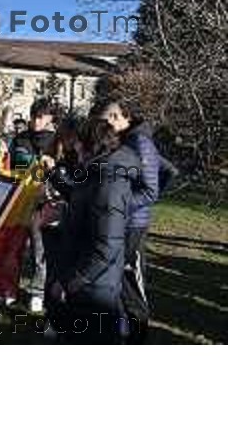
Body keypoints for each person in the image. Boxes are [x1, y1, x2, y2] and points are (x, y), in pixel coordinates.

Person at [49, 119, 141, 344]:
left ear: (92, 145)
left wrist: (71, 283)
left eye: (79, 144)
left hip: (94, 289)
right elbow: (84, 198)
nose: (75, 149)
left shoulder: (109, 182)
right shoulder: (97, 171)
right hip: (85, 282)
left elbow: (106, 246)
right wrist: (53, 176)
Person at [98, 99, 161, 342]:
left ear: (117, 117)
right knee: (118, 282)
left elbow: (150, 191)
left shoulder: (140, 142)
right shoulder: (124, 141)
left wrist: (118, 203)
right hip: (120, 221)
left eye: (106, 121)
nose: (104, 127)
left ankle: (138, 337)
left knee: (131, 284)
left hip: (133, 223)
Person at [10, 98, 58, 312]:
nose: (36, 121)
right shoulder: (20, 139)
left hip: (43, 203)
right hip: (19, 201)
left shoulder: (57, 142)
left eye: (41, 117)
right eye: (33, 116)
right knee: (13, 248)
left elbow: (63, 172)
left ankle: (37, 291)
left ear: (50, 118)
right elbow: (9, 166)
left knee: (40, 251)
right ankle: (8, 287)